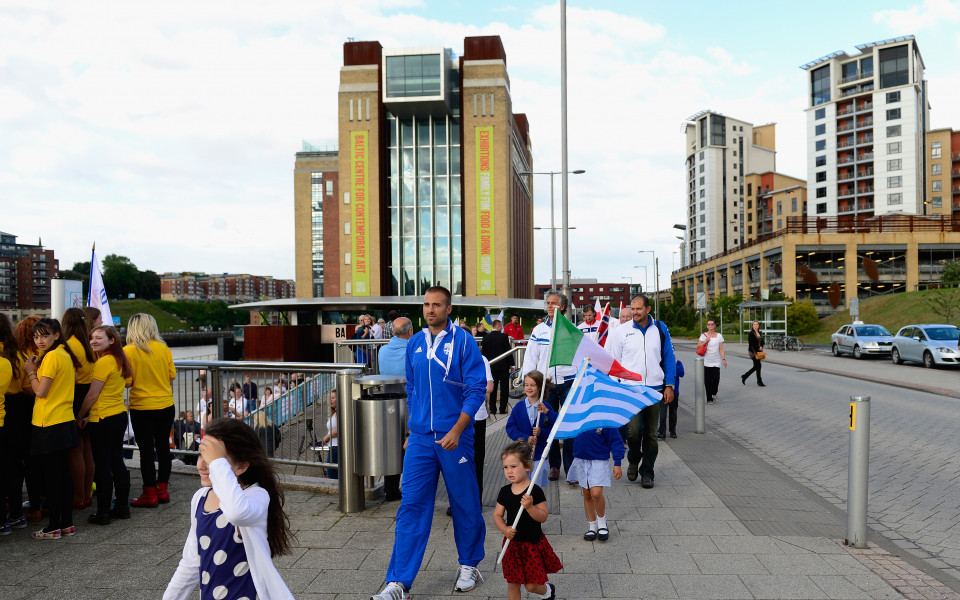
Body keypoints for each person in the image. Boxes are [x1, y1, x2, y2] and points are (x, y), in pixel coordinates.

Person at [370, 286, 487, 600]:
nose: (430, 309)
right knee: (411, 506)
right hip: (421, 438)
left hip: (456, 436)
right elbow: (413, 388)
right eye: (426, 304)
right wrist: (411, 431)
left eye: (437, 305)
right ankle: (399, 583)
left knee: (464, 501)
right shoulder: (415, 343)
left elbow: (476, 390)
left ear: (449, 308)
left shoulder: (463, 341)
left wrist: (458, 429)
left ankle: (470, 564)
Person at [163, 419, 295, 600]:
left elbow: (236, 513)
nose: (202, 465)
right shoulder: (200, 498)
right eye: (201, 455)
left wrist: (217, 464)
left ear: (241, 466)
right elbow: (191, 562)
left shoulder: (255, 496)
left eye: (213, 460)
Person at [606, 295, 675, 489]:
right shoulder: (621, 332)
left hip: (654, 389)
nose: (635, 312)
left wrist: (670, 385)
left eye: (639, 309)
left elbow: (669, 357)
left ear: (648, 309)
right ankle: (634, 460)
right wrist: (615, 388)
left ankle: (647, 472)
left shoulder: (660, 329)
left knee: (652, 435)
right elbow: (613, 362)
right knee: (634, 432)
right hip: (631, 390)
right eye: (632, 309)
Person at [23, 318, 82, 538]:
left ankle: (54, 527)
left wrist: (31, 371)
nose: (39, 340)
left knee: (52, 478)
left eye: (45, 335)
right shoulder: (65, 355)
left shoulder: (51, 357)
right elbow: (74, 380)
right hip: (65, 420)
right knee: (63, 475)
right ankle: (66, 523)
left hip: (48, 422)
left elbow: (40, 391)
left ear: (57, 335)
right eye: (36, 336)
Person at [75, 325, 133, 524]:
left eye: (99, 338)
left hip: (102, 418)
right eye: (91, 338)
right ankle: (122, 507)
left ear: (112, 340)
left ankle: (103, 513)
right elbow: (128, 383)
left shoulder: (103, 363)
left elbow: (92, 395)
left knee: (102, 465)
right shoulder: (120, 360)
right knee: (117, 460)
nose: (93, 341)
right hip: (118, 415)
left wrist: (81, 415)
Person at [494, 441, 562, 600]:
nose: (509, 471)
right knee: (513, 583)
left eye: (513, 466)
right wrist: (504, 529)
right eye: (505, 467)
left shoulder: (535, 491)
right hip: (512, 545)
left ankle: (547, 591)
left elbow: (543, 516)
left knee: (531, 586)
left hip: (532, 545)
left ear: (527, 466)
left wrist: (530, 507)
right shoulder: (504, 492)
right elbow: (497, 515)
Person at [521, 291, 578, 482]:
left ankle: (571, 468)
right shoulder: (539, 330)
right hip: (547, 384)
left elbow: (579, 357)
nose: (550, 306)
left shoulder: (571, 329)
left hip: (569, 381)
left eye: (554, 303)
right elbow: (530, 357)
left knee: (568, 425)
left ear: (562, 307)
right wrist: (528, 383)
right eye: (548, 303)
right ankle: (554, 465)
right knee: (548, 424)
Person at [124, 313, 177, 508]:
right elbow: (171, 375)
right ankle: (162, 490)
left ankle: (149, 494)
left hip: (142, 407)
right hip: (166, 405)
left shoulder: (128, 351)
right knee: (163, 447)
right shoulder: (163, 348)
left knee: (146, 450)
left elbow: (128, 382)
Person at [62, 307, 96, 509]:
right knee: (87, 449)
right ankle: (87, 494)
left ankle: (78, 495)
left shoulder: (69, 346)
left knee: (75, 450)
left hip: (75, 398)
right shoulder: (90, 345)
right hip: (89, 396)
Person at [378, 317, 413, 501]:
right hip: (409, 405)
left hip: (388, 405)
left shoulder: (382, 351)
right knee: (411, 447)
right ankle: (409, 488)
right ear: (409, 332)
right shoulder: (412, 350)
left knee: (392, 446)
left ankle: (390, 489)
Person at [567, 427, 624, 541]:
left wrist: (617, 462)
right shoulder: (580, 414)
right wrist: (548, 412)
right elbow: (563, 422)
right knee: (587, 493)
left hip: (599, 460)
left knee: (596, 493)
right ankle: (592, 525)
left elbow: (616, 440)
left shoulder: (603, 418)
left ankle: (602, 522)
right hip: (581, 459)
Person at [504, 371, 556, 489]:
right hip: (522, 455)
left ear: (539, 387)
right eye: (526, 385)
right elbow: (510, 428)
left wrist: (541, 432)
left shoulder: (546, 408)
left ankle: (536, 507)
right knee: (522, 486)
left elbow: (554, 430)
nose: (529, 388)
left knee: (535, 488)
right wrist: (526, 437)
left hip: (539, 455)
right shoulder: (518, 407)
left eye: (532, 385)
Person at [481, 318, 513, 415]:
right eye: (501, 325)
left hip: (491, 367)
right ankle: (502, 408)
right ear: (498, 326)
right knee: (504, 389)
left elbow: (484, 354)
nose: (502, 327)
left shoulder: (486, 338)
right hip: (503, 367)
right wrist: (512, 364)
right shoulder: (504, 337)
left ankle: (492, 409)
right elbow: (508, 352)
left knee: (492, 389)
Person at [697, 319, 726, 404]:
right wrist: (705, 341)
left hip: (716, 361)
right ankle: (709, 399)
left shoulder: (719, 336)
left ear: (715, 326)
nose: (710, 326)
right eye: (709, 324)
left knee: (716, 379)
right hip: (707, 361)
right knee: (708, 380)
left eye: (712, 324)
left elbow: (721, 349)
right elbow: (698, 346)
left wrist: (723, 359)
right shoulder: (704, 336)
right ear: (707, 326)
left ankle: (714, 393)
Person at [658, 355, 685, 440]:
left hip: (675, 392)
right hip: (663, 391)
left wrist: (676, 364)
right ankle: (662, 432)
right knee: (663, 412)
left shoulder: (678, 362)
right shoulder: (662, 363)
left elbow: (681, 373)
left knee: (673, 412)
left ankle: (672, 431)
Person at [741, 320, 766, 387]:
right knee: (758, 366)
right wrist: (758, 347)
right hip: (752, 352)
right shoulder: (751, 333)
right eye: (754, 324)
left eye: (757, 324)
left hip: (758, 352)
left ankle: (745, 376)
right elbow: (751, 343)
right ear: (752, 326)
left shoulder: (759, 333)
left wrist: (761, 346)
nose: (756, 325)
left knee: (756, 366)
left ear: (759, 326)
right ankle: (759, 381)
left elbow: (762, 342)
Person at [319, 391, 338, 479]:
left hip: (336, 447)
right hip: (333, 446)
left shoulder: (339, 413)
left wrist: (326, 437)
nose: (331, 400)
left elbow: (339, 429)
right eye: (330, 398)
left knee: (331, 475)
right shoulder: (335, 412)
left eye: (333, 398)